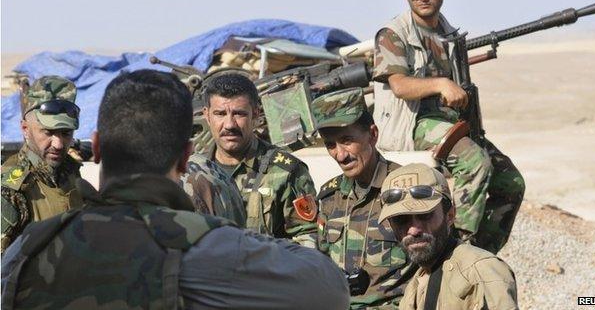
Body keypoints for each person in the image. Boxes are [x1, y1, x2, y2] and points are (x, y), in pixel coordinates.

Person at [0, 70, 350, 310]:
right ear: (185, 158)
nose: (230, 124)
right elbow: (331, 290)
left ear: (97, 147)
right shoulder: (210, 249)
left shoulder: (28, 251)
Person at [372, 0, 525, 253]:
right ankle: (458, 250)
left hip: (448, 124)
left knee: (511, 183)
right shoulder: (393, 33)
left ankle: (481, 252)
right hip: (415, 123)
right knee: (474, 163)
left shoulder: (447, 33)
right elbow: (400, 85)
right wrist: (441, 84)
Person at [185, 72, 318, 247]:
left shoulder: (286, 171)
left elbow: (309, 239)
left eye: (239, 114)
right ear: (207, 116)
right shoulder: (189, 171)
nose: (229, 124)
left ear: (255, 114)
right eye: (220, 113)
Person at [313, 88, 410, 308]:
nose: (340, 155)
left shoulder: (404, 187)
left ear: (373, 135)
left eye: (347, 140)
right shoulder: (330, 196)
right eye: (330, 145)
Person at [378, 163, 518, 309]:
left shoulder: (482, 271)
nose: (413, 230)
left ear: (450, 215)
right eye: (401, 219)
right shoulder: (417, 283)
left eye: (425, 215)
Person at [1, 76, 83, 252]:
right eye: (48, 132)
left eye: (66, 133)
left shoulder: (70, 169)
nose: (58, 144)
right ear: (25, 129)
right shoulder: (11, 189)